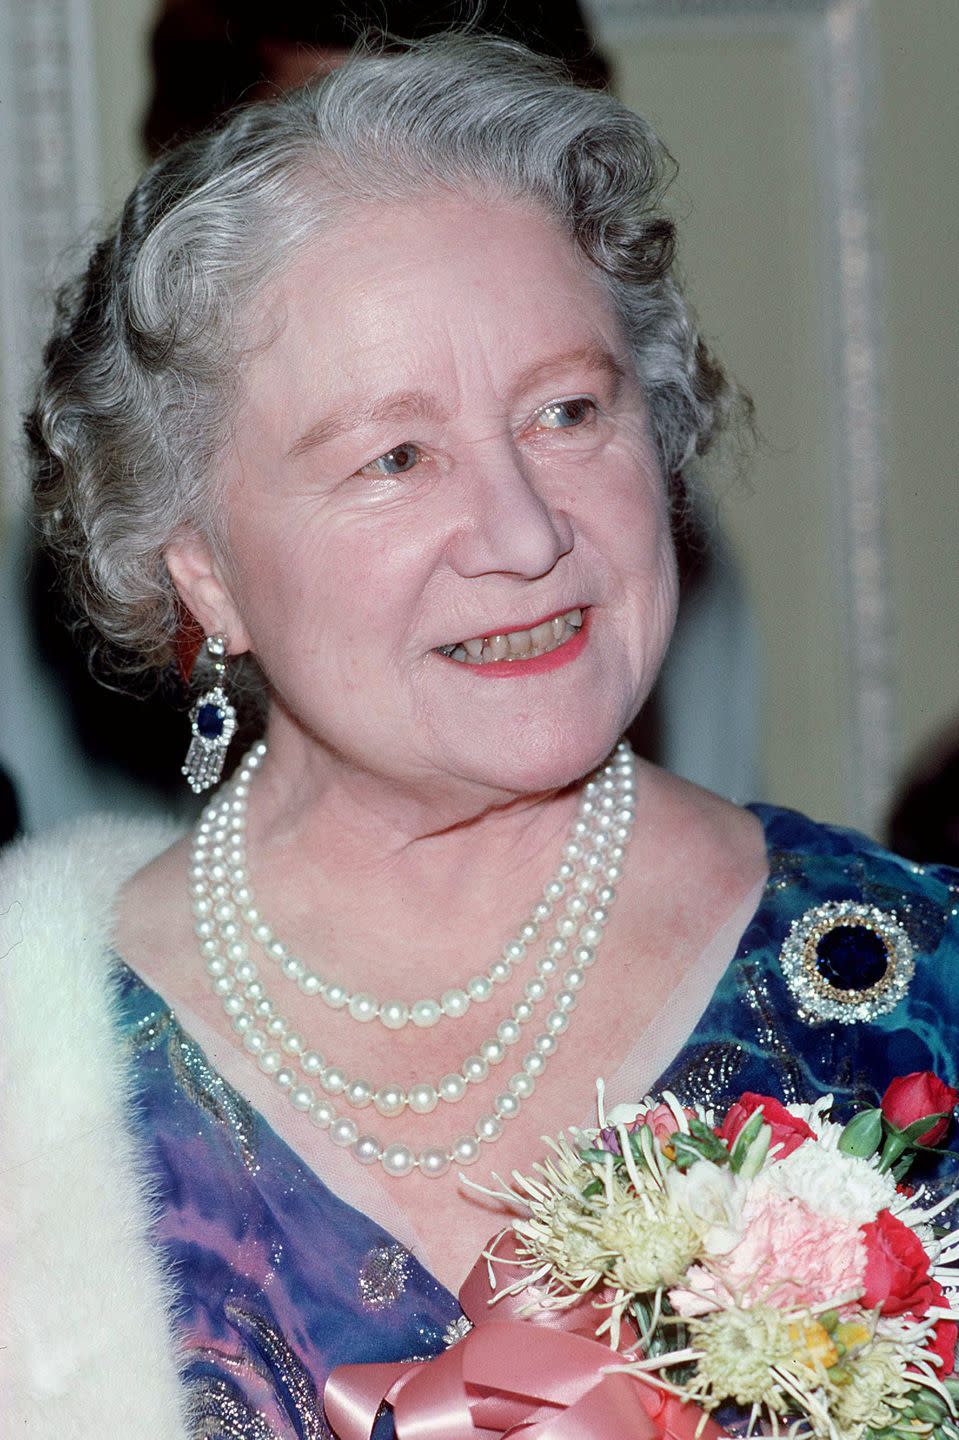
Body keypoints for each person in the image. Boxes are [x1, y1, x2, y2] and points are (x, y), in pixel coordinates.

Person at [2, 36, 957, 1440]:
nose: (527, 534)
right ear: (197, 563)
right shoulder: (34, 1067)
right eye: (395, 458)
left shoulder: (908, 991)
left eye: (569, 412)